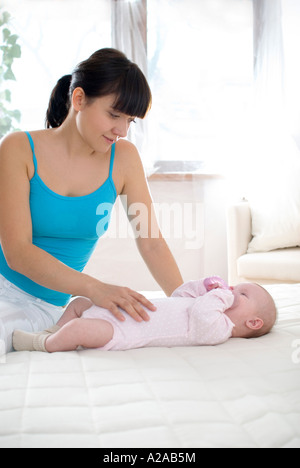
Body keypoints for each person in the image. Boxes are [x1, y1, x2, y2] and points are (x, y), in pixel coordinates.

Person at [0, 48, 184, 353]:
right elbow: (17, 252)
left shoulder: (123, 159)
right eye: (114, 115)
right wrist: (94, 288)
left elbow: (151, 241)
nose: (122, 131)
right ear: (79, 99)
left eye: (130, 121)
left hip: (45, 306)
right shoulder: (18, 148)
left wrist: (184, 306)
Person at [12, 276, 277, 353]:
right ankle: (52, 330)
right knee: (80, 302)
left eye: (242, 294)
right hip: (124, 310)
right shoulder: (206, 302)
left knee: (80, 330)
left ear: (253, 322)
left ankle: (43, 344)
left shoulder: (220, 329)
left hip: (124, 332)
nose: (231, 291)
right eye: (234, 288)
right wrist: (202, 286)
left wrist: (219, 296)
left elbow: (200, 314)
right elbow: (180, 297)